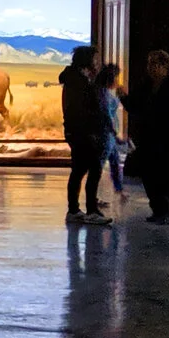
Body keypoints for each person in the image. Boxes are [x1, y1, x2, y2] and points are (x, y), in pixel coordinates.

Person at [121, 49, 169, 222]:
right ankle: (158, 207)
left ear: (164, 66)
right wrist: (124, 98)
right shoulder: (145, 85)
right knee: (148, 172)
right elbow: (135, 106)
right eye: (149, 63)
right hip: (147, 135)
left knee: (165, 171)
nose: (150, 67)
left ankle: (165, 208)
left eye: (154, 63)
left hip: (168, 135)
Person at [58, 44, 110, 224]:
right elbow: (81, 111)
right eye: (95, 59)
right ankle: (90, 211)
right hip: (83, 134)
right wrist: (90, 132)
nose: (98, 63)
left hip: (79, 133)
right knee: (92, 169)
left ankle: (75, 210)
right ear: (87, 61)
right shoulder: (78, 83)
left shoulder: (77, 79)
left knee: (79, 170)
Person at [94, 63, 127, 212]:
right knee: (100, 165)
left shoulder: (105, 92)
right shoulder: (103, 94)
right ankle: (93, 196)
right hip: (106, 134)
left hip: (109, 135)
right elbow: (107, 115)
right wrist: (114, 132)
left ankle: (119, 190)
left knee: (114, 162)